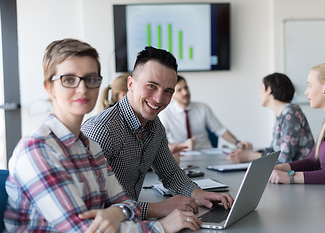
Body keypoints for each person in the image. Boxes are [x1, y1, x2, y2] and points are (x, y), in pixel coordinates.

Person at [3, 39, 202, 233]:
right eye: (69, 80)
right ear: (49, 87)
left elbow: (124, 203)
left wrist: (120, 212)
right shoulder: (37, 150)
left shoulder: (89, 146)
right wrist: (162, 227)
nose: (82, 89)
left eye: (91, 79)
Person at [81, 46, 233, 220]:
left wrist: (198, 193)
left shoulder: (154, 126)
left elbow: (170, 174)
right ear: (131, 84)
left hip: (130, 221)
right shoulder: (101, 130)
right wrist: (154, 209)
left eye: (168, 91)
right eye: (152, 86)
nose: (159, 99)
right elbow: (94, 206)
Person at [269, 62, 325, 190]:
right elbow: (313, 161)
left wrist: (290, 177)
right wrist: (279, 168)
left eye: (310, 85)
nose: (305, 91)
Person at [227, 73, 314, 164]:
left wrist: (249, 156)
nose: (260, 93)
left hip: (296, 174)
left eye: (261, 89)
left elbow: (285, 158)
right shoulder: (284, 114)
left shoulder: (290, 113)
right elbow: (274, 151)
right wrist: (245, 153)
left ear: (268, 90)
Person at [159, 75, 252, 150]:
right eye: (179, 90)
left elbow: (220, 130)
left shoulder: (202, 108)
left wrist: (237, 142)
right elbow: (159, 143)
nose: (185, 93)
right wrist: (182, 146)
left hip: (205, 152)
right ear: (172, 94)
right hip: (181, 155)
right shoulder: (165, 113)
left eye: (186, 88)